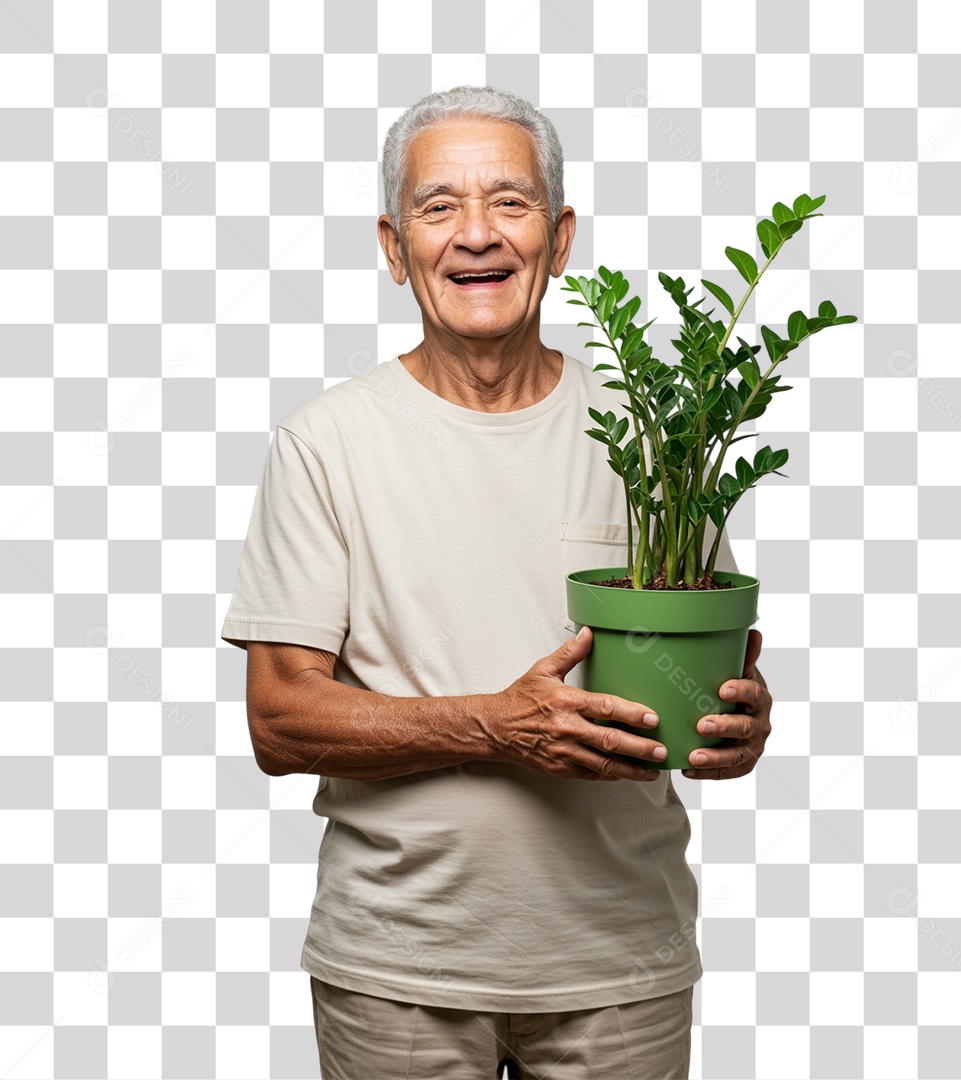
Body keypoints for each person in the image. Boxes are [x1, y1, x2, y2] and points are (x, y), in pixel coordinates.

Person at [221, 84, 773, 1080]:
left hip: (623, 964)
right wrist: (494, 724)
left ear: (558, 239)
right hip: (398, 969)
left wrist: (736, 717)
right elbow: (279, 721)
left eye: (510, 202)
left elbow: (699, 657)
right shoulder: (325, 443)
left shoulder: (658, 441)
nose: (476, 234)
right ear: (395, 247)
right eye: (439, 207)